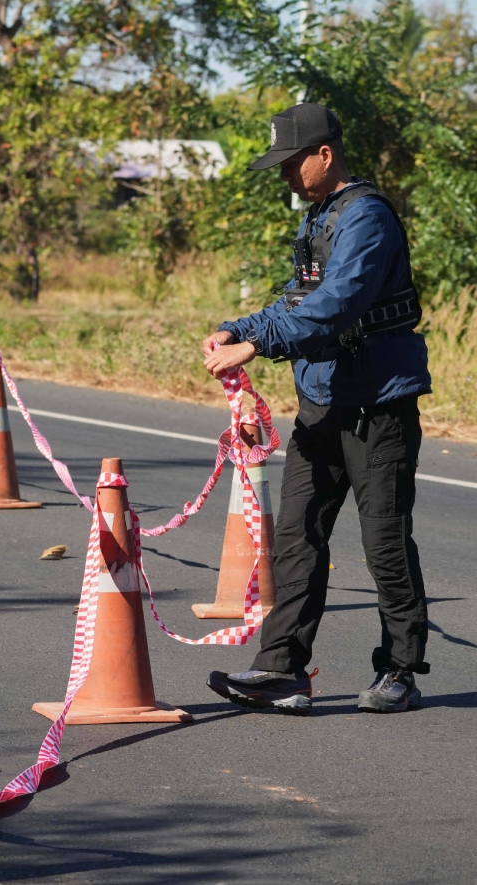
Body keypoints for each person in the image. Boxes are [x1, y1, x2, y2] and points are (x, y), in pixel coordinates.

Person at [202, 104, 430, 715]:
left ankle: (401, 671)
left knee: (384, 544)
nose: (284, 176)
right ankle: (282, 671)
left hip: (377, 409)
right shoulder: (321, 216)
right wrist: (237, 328)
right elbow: (297, 296)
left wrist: (258, 344)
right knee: (297, 538)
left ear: (324, 155)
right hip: (321, 403)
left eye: (290, 163)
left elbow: (336, 304)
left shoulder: (368, 218)